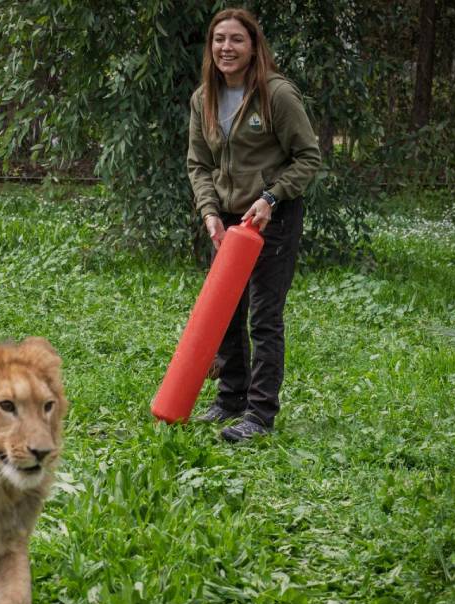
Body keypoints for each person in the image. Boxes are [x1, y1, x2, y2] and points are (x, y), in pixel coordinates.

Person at [186, 8, 321, 442]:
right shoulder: (202, 97)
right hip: (225, 221)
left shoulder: (276, 95)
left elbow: (308, 158)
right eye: (219, 39)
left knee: (264, 317)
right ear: (211, 47)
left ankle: (260, 416)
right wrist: (209, 211)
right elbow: (199, 164)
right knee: (224, 313)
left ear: (253, 46)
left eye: (236, 40)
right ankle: (231, 399)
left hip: (270, 219)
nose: (227, 47)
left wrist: (271, 198)